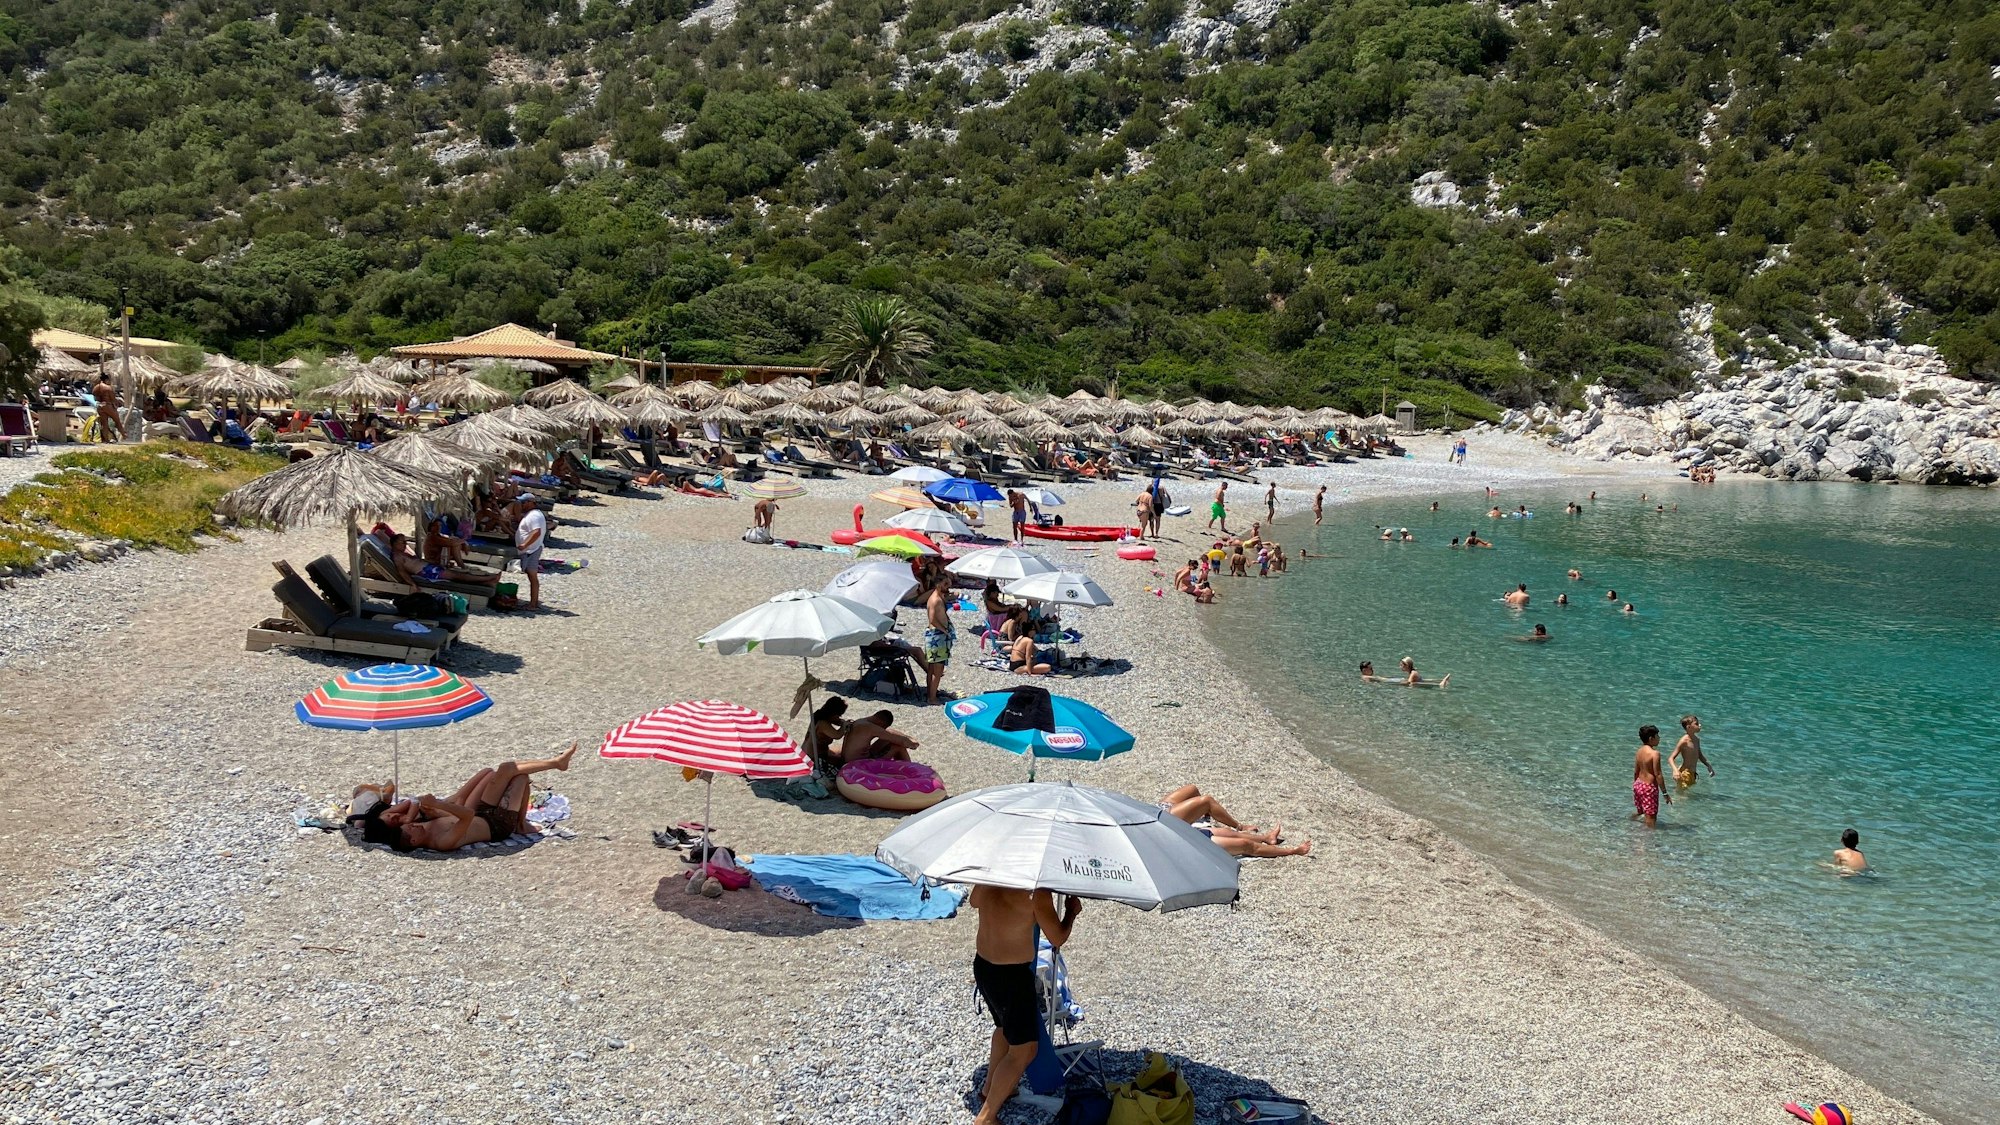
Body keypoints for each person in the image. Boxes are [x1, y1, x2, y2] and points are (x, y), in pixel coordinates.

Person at [967, 885, 1082, 1125]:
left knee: (1003, 1028)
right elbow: (1057, 937)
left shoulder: (989, 877)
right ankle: (986, 1117)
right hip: (1012, 977)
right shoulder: (1037, 894)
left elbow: (974, 902)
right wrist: (1071, 912)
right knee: (1025, 1050)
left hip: (984, 966)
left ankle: (991, 1089)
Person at [349, 745, 577, 852]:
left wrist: (434, 808)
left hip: (482, 812)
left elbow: (454, 811)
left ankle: (557, 763)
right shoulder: (442, 843)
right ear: (414, 841)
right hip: (497, 824)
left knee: (506, 768)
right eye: (412, 830)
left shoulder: (420, 828)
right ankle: (519, 823)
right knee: (520, 778)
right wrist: (437, 804)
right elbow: (465, 816)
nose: (413, 826)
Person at [1159, 785, 1312, 858]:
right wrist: (1293, 851)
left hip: (1157, 816)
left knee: (1226, 833)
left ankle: (1266, 838)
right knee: (1245, 845)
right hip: (1168, 830)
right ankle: (1293, 851)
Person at [840, 709, 918, 763]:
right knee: (898, 747)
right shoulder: (870, 727)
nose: (882, 729)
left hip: (848, 760)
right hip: (856, 764)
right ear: (880, 722)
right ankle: (909, 773)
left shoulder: (861, 722)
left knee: (887, 737)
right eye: (883, 727)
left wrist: (907, 737)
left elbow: (889, 732)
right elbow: (902, 741)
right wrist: (913, 743)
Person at [1632, 724, 1669, 828]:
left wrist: (1635, 786)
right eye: (1657, 736)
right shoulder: (1654, 754)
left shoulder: (1639, 751)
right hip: (1649, 787)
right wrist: (1665, 793)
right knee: (1651, 817)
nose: (1659, 738)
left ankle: (1630, 822)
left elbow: (1636, 772)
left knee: (1641, 812)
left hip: (1638, 784)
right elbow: (1658, 774)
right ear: (1651, 738)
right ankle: (1649, 840)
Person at [513, 493, 546, 609]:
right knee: (532, 576)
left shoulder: (534, 516)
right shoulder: (532, 515)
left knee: (532, 576)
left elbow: (536, 532)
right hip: (530, 549)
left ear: (531, 503)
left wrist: (524, 544)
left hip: (531, 550)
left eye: (524, 502)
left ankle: (533, 604)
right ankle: (533, 602)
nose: (522, 505)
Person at [922, 577, 952, 704]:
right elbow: (933, 619)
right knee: (937, 670)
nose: (948, 586)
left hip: (935, 636)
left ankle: (930, 694)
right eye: (945, 584)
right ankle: (932, 698)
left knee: (932, 669)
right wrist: (945, 631)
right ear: (938, 585)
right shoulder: (935, 600)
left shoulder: (936, 597)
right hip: (938, 636)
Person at [801, 698, 849, 774]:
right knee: (843, 763)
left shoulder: (818, 716)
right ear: (833, 713)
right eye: (838, 715)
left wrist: (842, 722)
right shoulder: (822, 724)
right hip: (814, 758)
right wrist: (843, 726)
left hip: (806, 752)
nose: (838, 717)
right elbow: (837, 735)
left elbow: (836, 721)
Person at [1670, 715, 1712, 790]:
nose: (1699, 725)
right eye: (1696, 724)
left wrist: (1708, 765)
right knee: (1683, 796)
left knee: (1685, 795)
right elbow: (1671, 758)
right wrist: (1675, 770)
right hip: (1685, 773)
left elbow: (1700, 755)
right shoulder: (1684, 741)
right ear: (1689, 727)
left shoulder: (1696, 740)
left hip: (1693, 774)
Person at [90, 373, 123, 443]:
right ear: (106, 380)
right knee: (117, 421)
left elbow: (95, 397)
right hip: (108, 405)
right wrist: (116, 405)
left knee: (104, 424)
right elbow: (113, 399)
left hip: (100, 405)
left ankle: (105, 440)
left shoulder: (96, 387)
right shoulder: (108, 388)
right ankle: (125, 437)